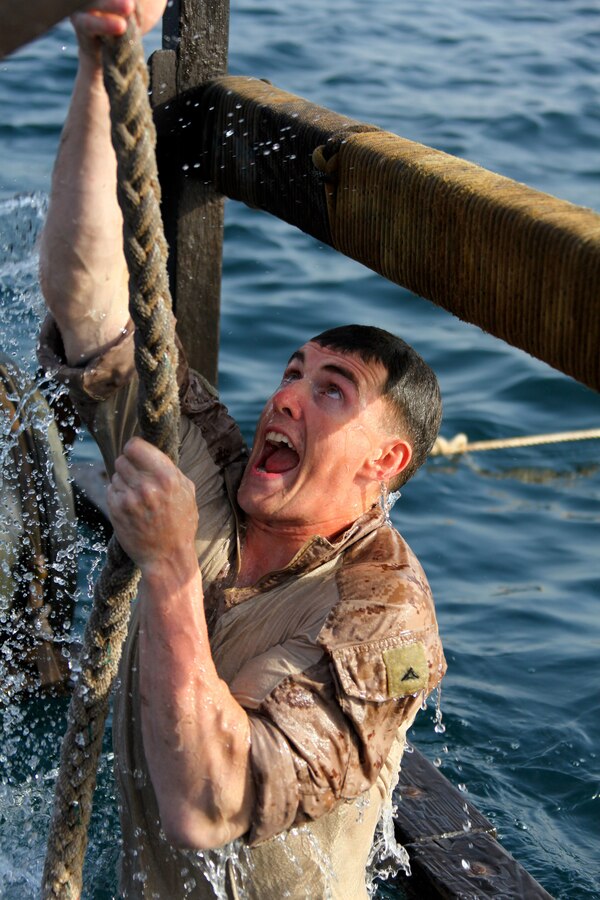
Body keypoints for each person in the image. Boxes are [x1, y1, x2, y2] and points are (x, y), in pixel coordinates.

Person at [38, 1, 446, 896]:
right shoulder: (216, 469)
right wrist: (101, 58)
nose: (288, 396)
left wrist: (175, 570)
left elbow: (210, 806)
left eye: (330, 391)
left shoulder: (385, 627)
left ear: (385, 464)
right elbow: (90, 303)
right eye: (293, 372)